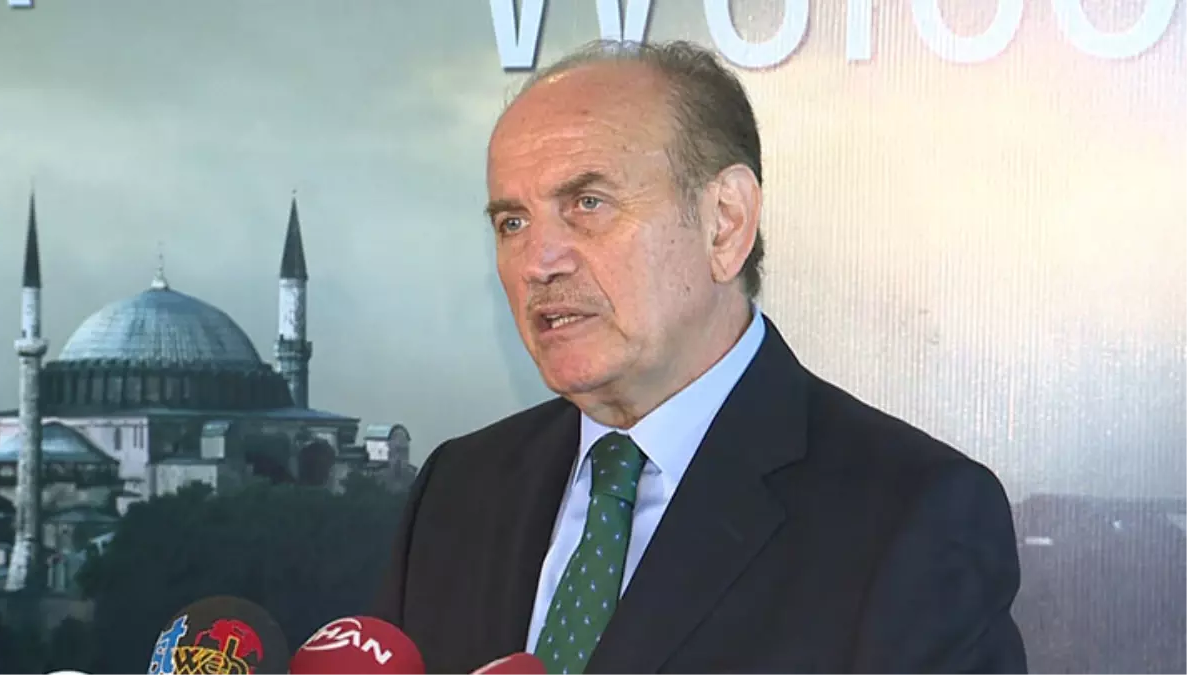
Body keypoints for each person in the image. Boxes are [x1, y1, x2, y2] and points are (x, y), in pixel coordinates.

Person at [374, 39, 1028, 675]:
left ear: (725, 222)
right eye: (512, 222)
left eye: (588, 204)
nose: (539, 262)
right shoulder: (457, 490)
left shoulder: (909, 517)